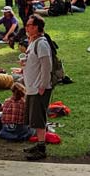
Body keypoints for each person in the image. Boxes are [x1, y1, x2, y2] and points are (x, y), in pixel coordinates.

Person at [22, 15, 54, 160]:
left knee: (39, 119)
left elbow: (47, 66)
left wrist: (42, 85)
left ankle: (41, 149)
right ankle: (40, 144)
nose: (26, 27)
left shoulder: (41, 43)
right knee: (35, 119)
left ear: (36, 27)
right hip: (32, 87)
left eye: (29, 25)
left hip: (38, 88)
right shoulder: (33, 42)